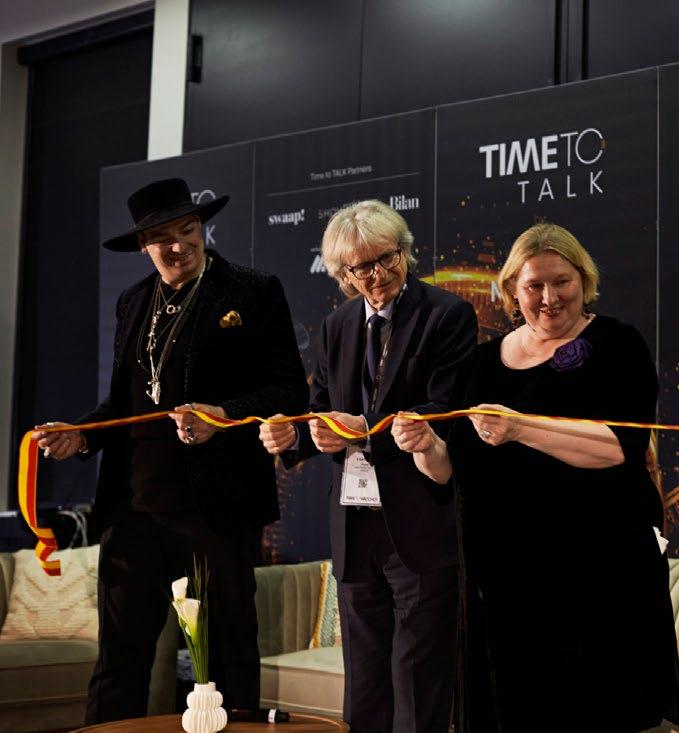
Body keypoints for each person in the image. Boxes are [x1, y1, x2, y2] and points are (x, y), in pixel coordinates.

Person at [31, 177, 307, 723]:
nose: (180, 245)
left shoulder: (252, 290)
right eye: (163, 237)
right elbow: (122, 404)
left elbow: (289, 392)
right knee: (120, 659)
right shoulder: (133, 301)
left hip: (217, 509)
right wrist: (80, 435)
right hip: (131, 508)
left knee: (226, 655)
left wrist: (221, 417)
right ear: (143, 245)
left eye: (188, 229)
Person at [391, 223, 679, 732]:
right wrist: (425, 446)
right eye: (534, 286)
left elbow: (620, 448)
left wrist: (521, 428)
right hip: (505, 586)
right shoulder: (481, 362)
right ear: (511, 290)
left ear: (584, 280)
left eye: (562, 282)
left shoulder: (618, 344)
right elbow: (450, 471)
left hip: (600, 578)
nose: (549, 298)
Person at [257, 200, 477, 733]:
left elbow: (445, 408)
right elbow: (320, 409)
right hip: (355, 529)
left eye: (387, 258)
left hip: (418, 523)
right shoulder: (336, 326)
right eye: (362, 267)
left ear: (405, 252)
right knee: (364, 687)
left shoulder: (446, 314)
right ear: (343, 274)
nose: (377, 274)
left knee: (418, 686)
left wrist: (364, 426)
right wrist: (292, 436)